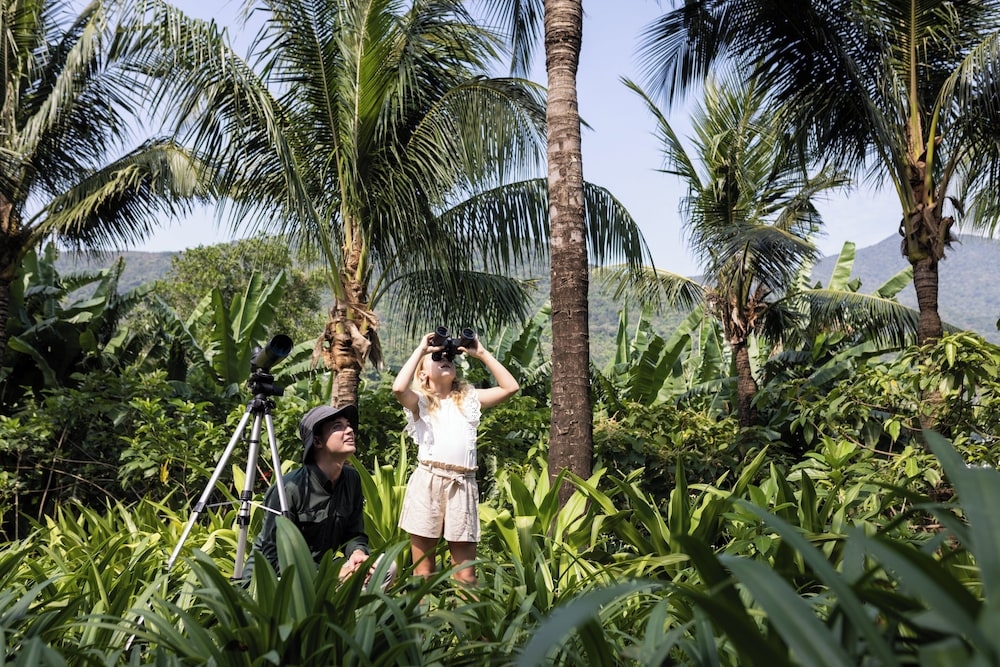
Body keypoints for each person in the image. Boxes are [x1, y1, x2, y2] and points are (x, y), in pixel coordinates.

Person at [392, 331, 519, 585]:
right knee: (423, 571)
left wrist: (481, 353)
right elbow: (398, 388)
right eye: (437, 357)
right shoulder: (420, 402)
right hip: (428, 480)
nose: (444, 359)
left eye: (448, 356)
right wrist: (421, 350)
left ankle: (464, 624)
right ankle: (420, 623)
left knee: (465, 574)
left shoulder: (469, 399)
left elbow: (511, 387)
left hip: (462, 483)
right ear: (423, 374)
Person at [247, 404, 395, 589]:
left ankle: (351, 616)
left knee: (387, 567)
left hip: (321, 574)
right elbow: (272, 558)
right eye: (337, 427)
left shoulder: (352, 480)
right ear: (317, 442)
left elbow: (354, 533)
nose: (349, 430)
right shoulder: (289, 488)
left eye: (348, 425)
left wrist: (357, 553)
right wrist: (331, 574)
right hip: (275, 580)